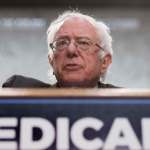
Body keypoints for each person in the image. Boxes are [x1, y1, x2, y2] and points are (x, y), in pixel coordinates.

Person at [2, 10, 117, 88]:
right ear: (51, 60)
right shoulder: (19, 94)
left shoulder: (130, 105)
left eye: (83, 43)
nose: (71, 50)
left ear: (105, 62)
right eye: (61, 43)